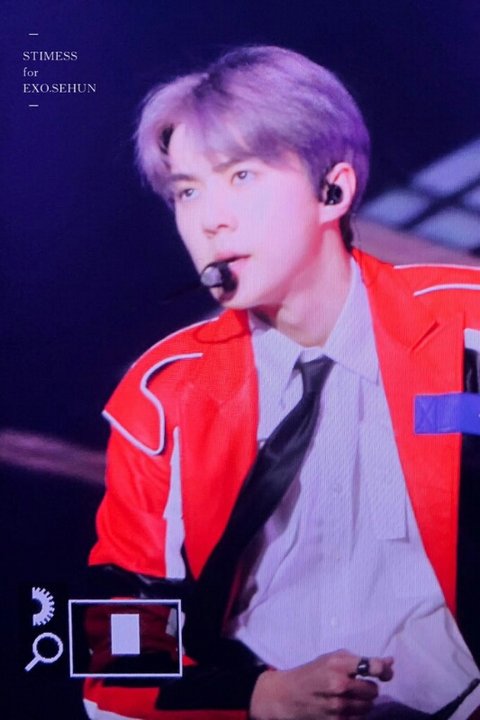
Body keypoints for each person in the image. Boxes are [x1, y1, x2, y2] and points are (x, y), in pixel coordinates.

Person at [83, 46, 480, 719]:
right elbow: (111, 656)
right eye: (187, 191)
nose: (209, 219)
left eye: (241, 175)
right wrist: (257, 697)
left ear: (334, 191)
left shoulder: (467, 330)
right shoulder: (162, 397)